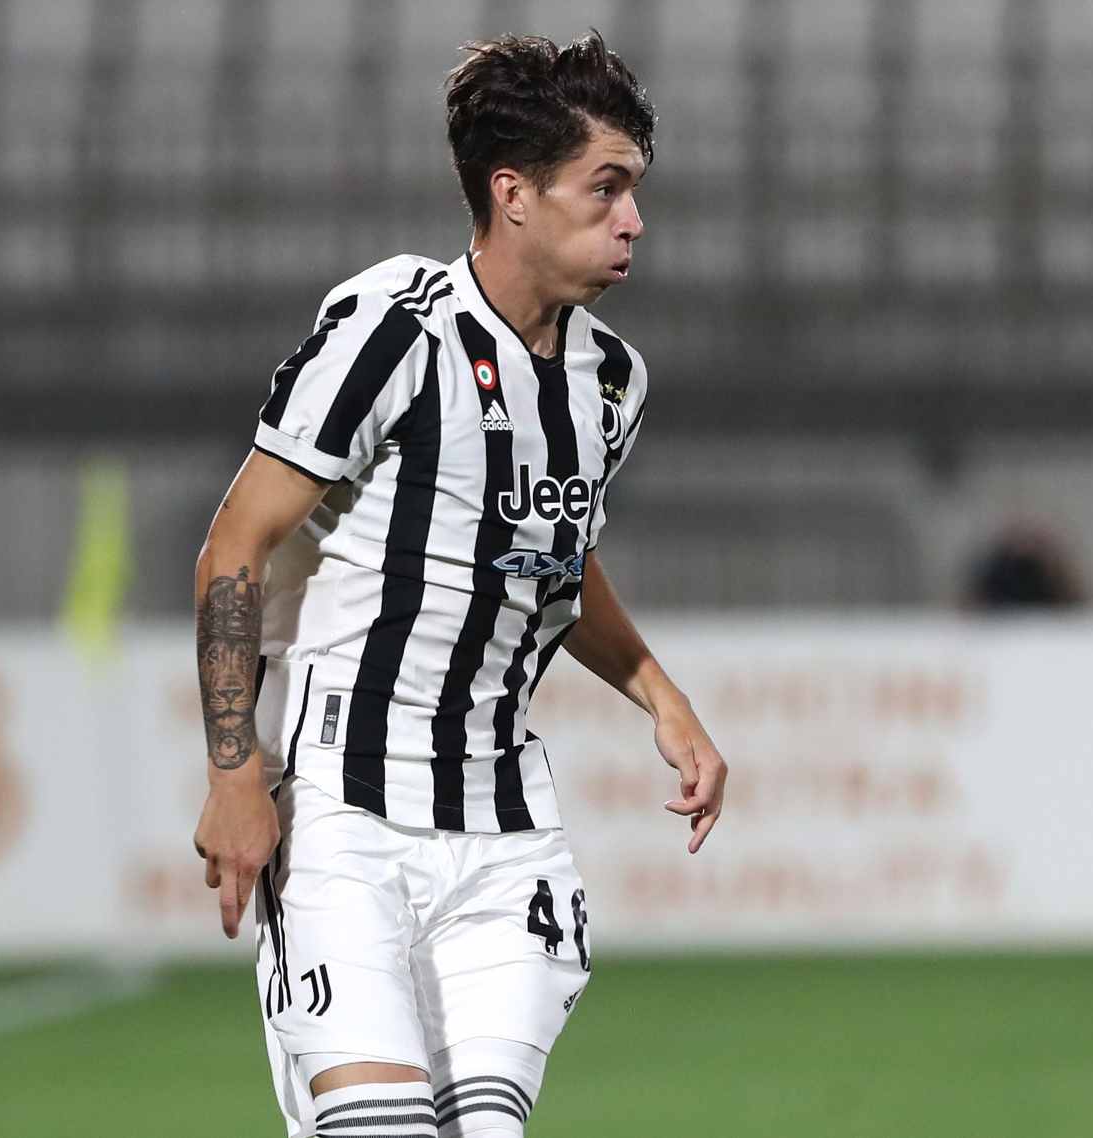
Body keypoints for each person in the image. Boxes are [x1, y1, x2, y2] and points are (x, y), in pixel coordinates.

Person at [193, 31, 727, 1138]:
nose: (633, 219)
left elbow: (550, 557)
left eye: (634, 189)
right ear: (513, 194)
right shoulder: (395, 331)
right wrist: (236, 775)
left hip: (504, 828)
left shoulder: (611, 383)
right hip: (343, 817)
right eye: (606, 187)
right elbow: (234, 545)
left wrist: (659, 695)